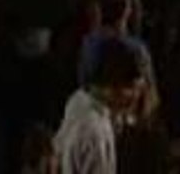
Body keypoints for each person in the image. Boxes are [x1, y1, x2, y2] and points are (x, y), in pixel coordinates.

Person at [54, 37, 143, 174]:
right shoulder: (97, 132)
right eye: (133, 88)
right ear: (115, 86)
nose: (136, 95)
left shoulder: (78, 99)